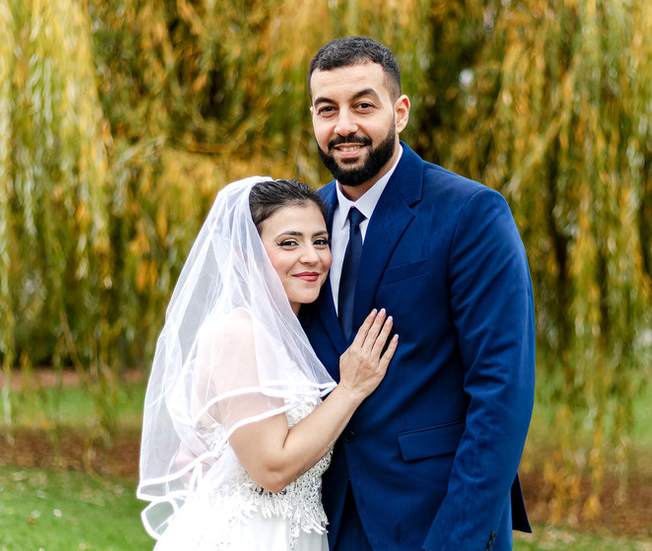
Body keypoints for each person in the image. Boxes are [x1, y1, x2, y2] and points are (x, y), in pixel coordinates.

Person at [301, 37, 536, 551]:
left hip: (434, 519)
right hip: (323, 520)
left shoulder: (471, 214)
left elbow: (502, 393)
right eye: (327, 109)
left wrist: (457, 540)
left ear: (400, 111)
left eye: (363, 105)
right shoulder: (302, 225)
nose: (344, 125)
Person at [137, 176, 399, 550]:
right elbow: (271, 469)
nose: (312, 256)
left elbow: (194, 452)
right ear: (247, 253)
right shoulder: (240, 332)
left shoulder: (287, 335)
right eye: (289, 242)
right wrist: (351, 389)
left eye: (320, 241)